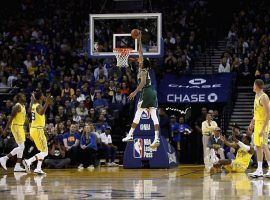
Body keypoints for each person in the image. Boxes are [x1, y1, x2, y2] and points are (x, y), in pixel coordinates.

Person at [122, 30, 160, 149]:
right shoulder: (142, 67)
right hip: (151, 92)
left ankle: (130, 134)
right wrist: (138, 40)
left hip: (147, 91)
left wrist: (135, 91)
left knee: (138, 114)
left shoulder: (143, 69)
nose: (138, 60)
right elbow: (140, 52)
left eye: (139, 61)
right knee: (152, 115)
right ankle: (156, 138)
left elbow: (143, 82)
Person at [23, 89, 53, 175]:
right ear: (40, 97)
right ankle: (28, 161)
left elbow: (31, 107)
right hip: (38, 130)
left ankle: (38, 168)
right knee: (45, 152)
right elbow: (41, 112)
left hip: (34, 129)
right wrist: (47, 102)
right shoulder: (38, 106)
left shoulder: (33, 104)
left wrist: (33, 97)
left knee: (41, 150)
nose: (44, 96)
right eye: (42, 95)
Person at [248, 79, 270, 178]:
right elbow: (256, 113)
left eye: (253, 84)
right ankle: (260, 170)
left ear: (257, 86)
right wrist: (252, 123)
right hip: (257, 123)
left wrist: (263, 129)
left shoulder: (264, 97)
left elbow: (268, 114)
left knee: (264, 146)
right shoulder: (256, 96)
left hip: (264, 124)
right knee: (258, 146)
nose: (252, 86)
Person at [0, 93, 27, 172]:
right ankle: (4, 158)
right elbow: (11, 118)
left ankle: (17, 166)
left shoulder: (23, 106)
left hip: (20, 127)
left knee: (21, 147)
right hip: (16, 126)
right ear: (19, 98)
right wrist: (5, 129)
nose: (24, 96)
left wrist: (33, 99)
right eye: (23, 95)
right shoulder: (17, 106)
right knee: (22, 147)